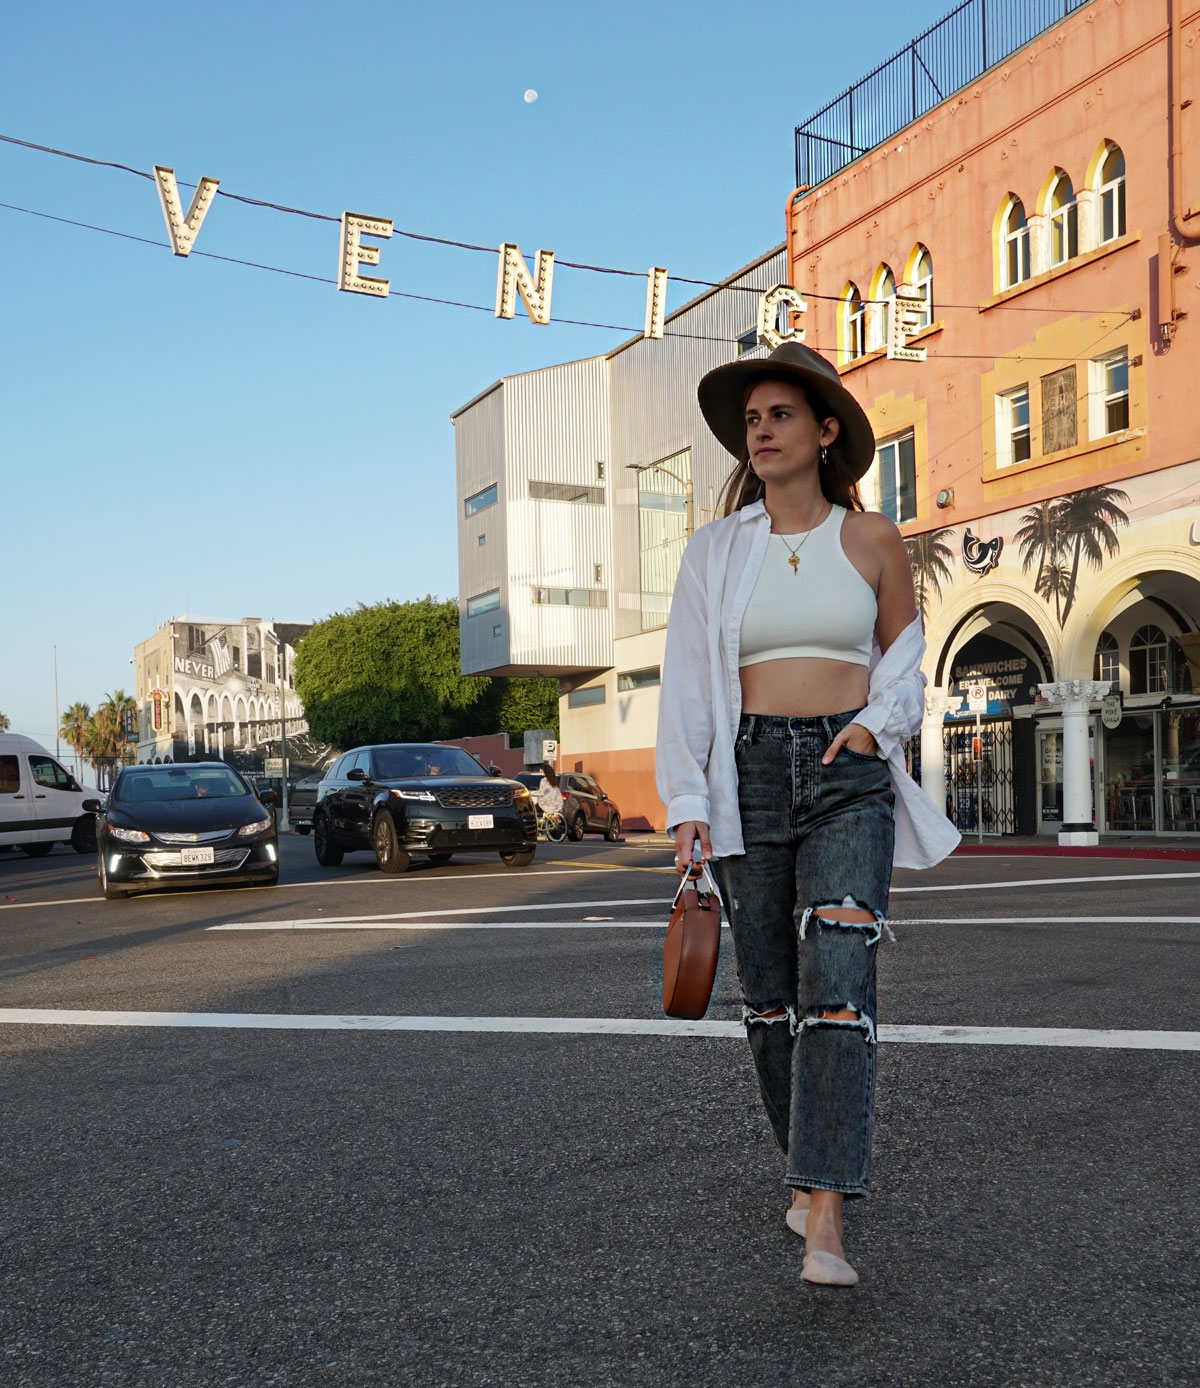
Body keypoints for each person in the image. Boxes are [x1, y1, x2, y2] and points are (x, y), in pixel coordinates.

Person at [656, 341, 959, 1288]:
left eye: (780, 414)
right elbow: (688, 683)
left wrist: (874, 728)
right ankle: (809, 1163)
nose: (761, 431)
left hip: (846, 773)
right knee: (770, 1001)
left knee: (839, 987)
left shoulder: (871, 539)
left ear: (826, 432)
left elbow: (905, 660)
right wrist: (687, 801)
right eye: (752, 420)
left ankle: (825, 1212)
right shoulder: (715, 549)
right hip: (746, 774)